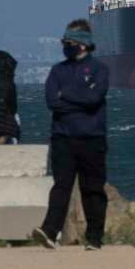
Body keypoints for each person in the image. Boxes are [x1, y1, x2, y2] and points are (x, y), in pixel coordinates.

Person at [31, 19, 110, 251]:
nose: (66, 45)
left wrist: (66, 96)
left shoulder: (100, 69)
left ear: (84, 44)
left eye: (70, 41)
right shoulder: (57, 70)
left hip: (92, 138)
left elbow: (94, 99)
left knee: (93, 189)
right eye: (64, 41)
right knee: (61, 186)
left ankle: (95, 237)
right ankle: (49, 231)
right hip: (63, 138)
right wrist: (79, 100)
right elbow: (52, 102)